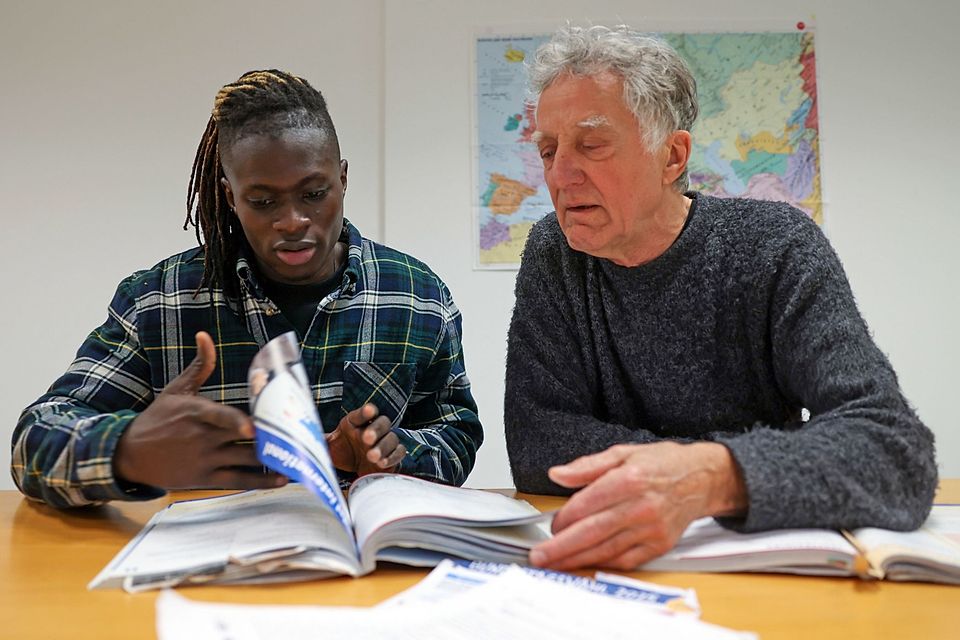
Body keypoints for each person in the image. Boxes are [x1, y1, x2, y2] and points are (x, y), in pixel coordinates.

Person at [504, 25, 937, 571]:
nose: (561, 175)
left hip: (765, 569)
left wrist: (712, 476)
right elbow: (539, 444)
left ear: (671, 156)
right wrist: (727, 463)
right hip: (616, 566)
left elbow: (894, 452)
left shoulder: (775, 245)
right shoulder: (554, 251)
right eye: (548, 150)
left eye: (591, 145)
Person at [13, 70, 482, 509]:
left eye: (314, 194)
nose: (293, 221)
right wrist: (126, 450)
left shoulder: (418, 296)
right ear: (230, 196)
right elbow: (32, 441)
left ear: (342, 178)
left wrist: (394, 453)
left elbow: (456, 433)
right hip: (207, 569)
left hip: (365, 572)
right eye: (262, 201)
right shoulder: (159, 301)